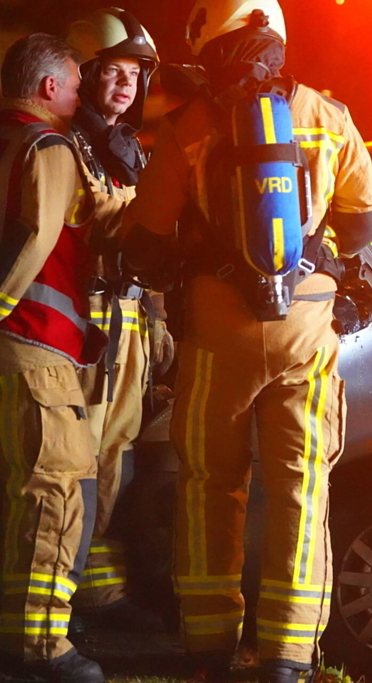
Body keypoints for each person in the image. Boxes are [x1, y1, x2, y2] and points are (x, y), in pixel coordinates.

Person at [119, 1, 372, 681]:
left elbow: (148, 238)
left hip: (218, 333)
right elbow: (364, 226)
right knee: (301, 485)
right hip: (308, 330)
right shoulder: (329, 116)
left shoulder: (193, 127)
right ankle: (288, 655)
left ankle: (209, 642)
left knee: (213, 483)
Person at [0, 33, 107, 683]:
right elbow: (38, 236)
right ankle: (40, 647)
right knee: (52, 493)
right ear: (47, 89)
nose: (78, 98)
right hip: (37, 345)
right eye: (72, 87)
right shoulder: (48, 147)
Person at [64, 7, 169, 634]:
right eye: (113, 71)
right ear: (84, 73)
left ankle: (94, 595)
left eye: (135, 73)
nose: (127, 84)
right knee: (74, 472)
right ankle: (50, 603)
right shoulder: (67, 142)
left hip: (125, 334)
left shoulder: (120, 147)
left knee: (112, 465)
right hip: (82, 335)